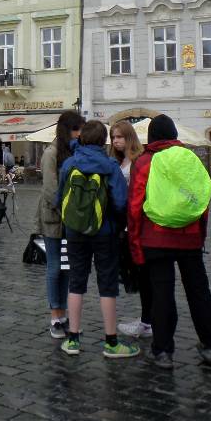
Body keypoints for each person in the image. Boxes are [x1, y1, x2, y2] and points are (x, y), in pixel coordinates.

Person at [127, 114, 211, 368]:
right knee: (199, 291)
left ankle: (163, 351)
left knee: (162, 294)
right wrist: (201, 235)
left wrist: (135, 245)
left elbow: (135, 206)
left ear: (151, 136)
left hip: (155, 237)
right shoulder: (190, 158)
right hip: (189, 238)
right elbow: (202, 200)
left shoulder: (144, 161)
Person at [55, 120, 139, 359]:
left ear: (82, 138)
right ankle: (111, 342)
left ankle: (73, 339)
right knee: (108, 284)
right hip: (105, 232)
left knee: (76, 282)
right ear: (104, 140)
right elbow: (121, 202)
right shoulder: (110, 165)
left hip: (75, 232)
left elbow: (59, 197)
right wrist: (117, 225)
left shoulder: (69, 163)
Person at [37, 110, 85, 339]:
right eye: (77, 130)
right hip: (54, 218)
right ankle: (55, 316)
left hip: (70, 218)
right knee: (55, 267)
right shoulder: (51, 153)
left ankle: (64, 315)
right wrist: (67, 210)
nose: (80, 134)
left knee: (66, 267)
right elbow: (50, 190)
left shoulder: (73, 151)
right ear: (68, 130)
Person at [110, 121, 152, 341]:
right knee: (136, 273)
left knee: (145, 275)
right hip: (123, 224)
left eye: (119, 137)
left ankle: (148, 321)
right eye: (113, 137)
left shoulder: (138, 160)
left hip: (137, 224)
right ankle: (147, 319)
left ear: (129, 137)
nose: (115, 141)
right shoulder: (118, 160)